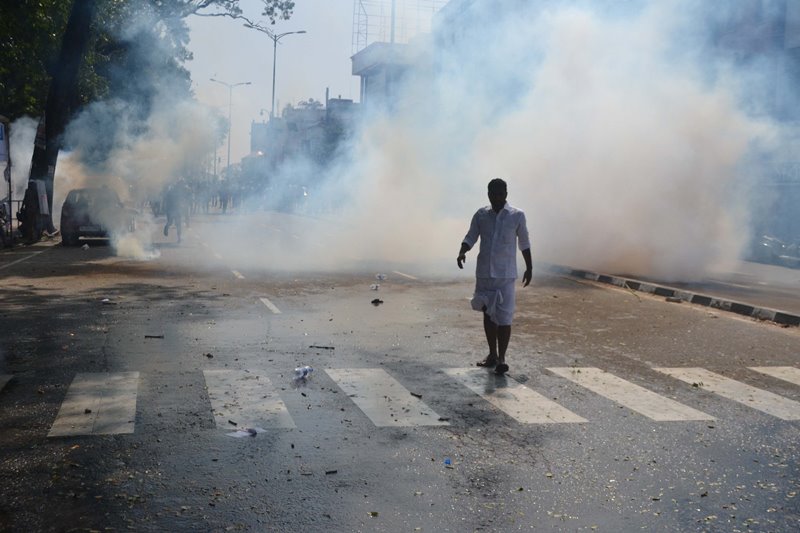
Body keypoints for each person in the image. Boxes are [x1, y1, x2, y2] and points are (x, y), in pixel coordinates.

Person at [457, 178, 532, 375]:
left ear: (506, 194)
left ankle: (502, 358)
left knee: (505, 317)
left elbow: (524, 243)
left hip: (506, 275)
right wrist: (462, 251)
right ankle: (492, 354)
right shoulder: (481, 215)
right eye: (492, 194)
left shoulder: (517, 216)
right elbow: (471, 236)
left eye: (499, 194)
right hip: (485, 274)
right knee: (489, 314)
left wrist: (529, 267)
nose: (496, 198)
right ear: (488, 194)